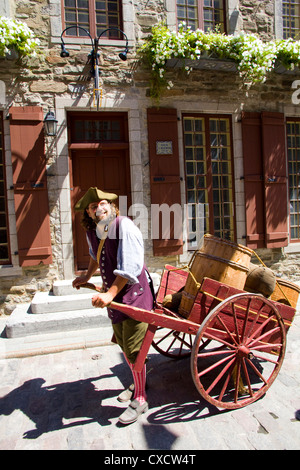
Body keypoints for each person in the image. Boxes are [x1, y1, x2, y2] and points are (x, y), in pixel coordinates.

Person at [72, 187, 155, 425]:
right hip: (117, 298)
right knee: (123, 342)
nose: (98, 208)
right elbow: (95, 256)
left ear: (111, 205)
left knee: (134, 349)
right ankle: (139, 381)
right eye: (91, 206)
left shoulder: (124, 226)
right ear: (88, 213)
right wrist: (87, 277)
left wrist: (109, 293)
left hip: (135, 295)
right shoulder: (95, 231)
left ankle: (140, 398)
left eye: (101, 203)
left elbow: (130, 266)